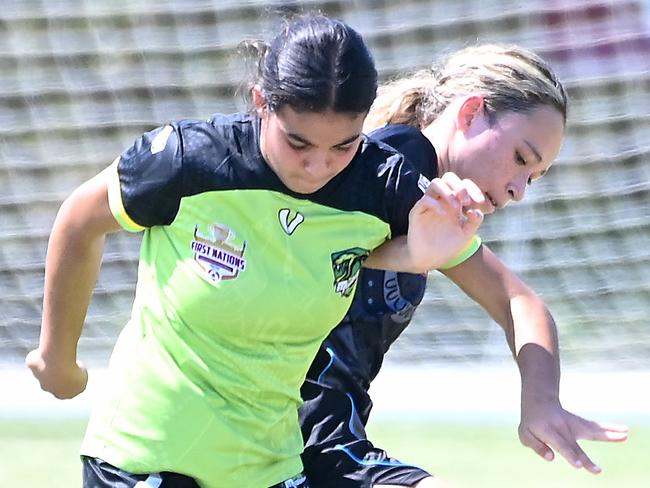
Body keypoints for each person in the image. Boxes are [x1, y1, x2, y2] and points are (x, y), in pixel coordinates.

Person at [25, 14, 485, 488]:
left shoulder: (380, 185)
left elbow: (507, 296)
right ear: (261, 102)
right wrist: (57, 358)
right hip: (139, 463)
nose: (318, 165)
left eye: (343, 146)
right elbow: (79, 221)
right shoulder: (189, 162)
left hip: (268, 472)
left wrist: (422, 252)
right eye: (298, 142)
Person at [299, 43, 630, 488]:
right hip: (295, 441)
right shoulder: (400, 157)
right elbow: (300, 250)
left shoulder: (432, 204)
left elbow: (518, 301)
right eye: (520, 159)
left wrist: (542, 401)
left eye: (532, 178)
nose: (519, 191)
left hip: (325, 443)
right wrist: (407, 256)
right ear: (471, 112)